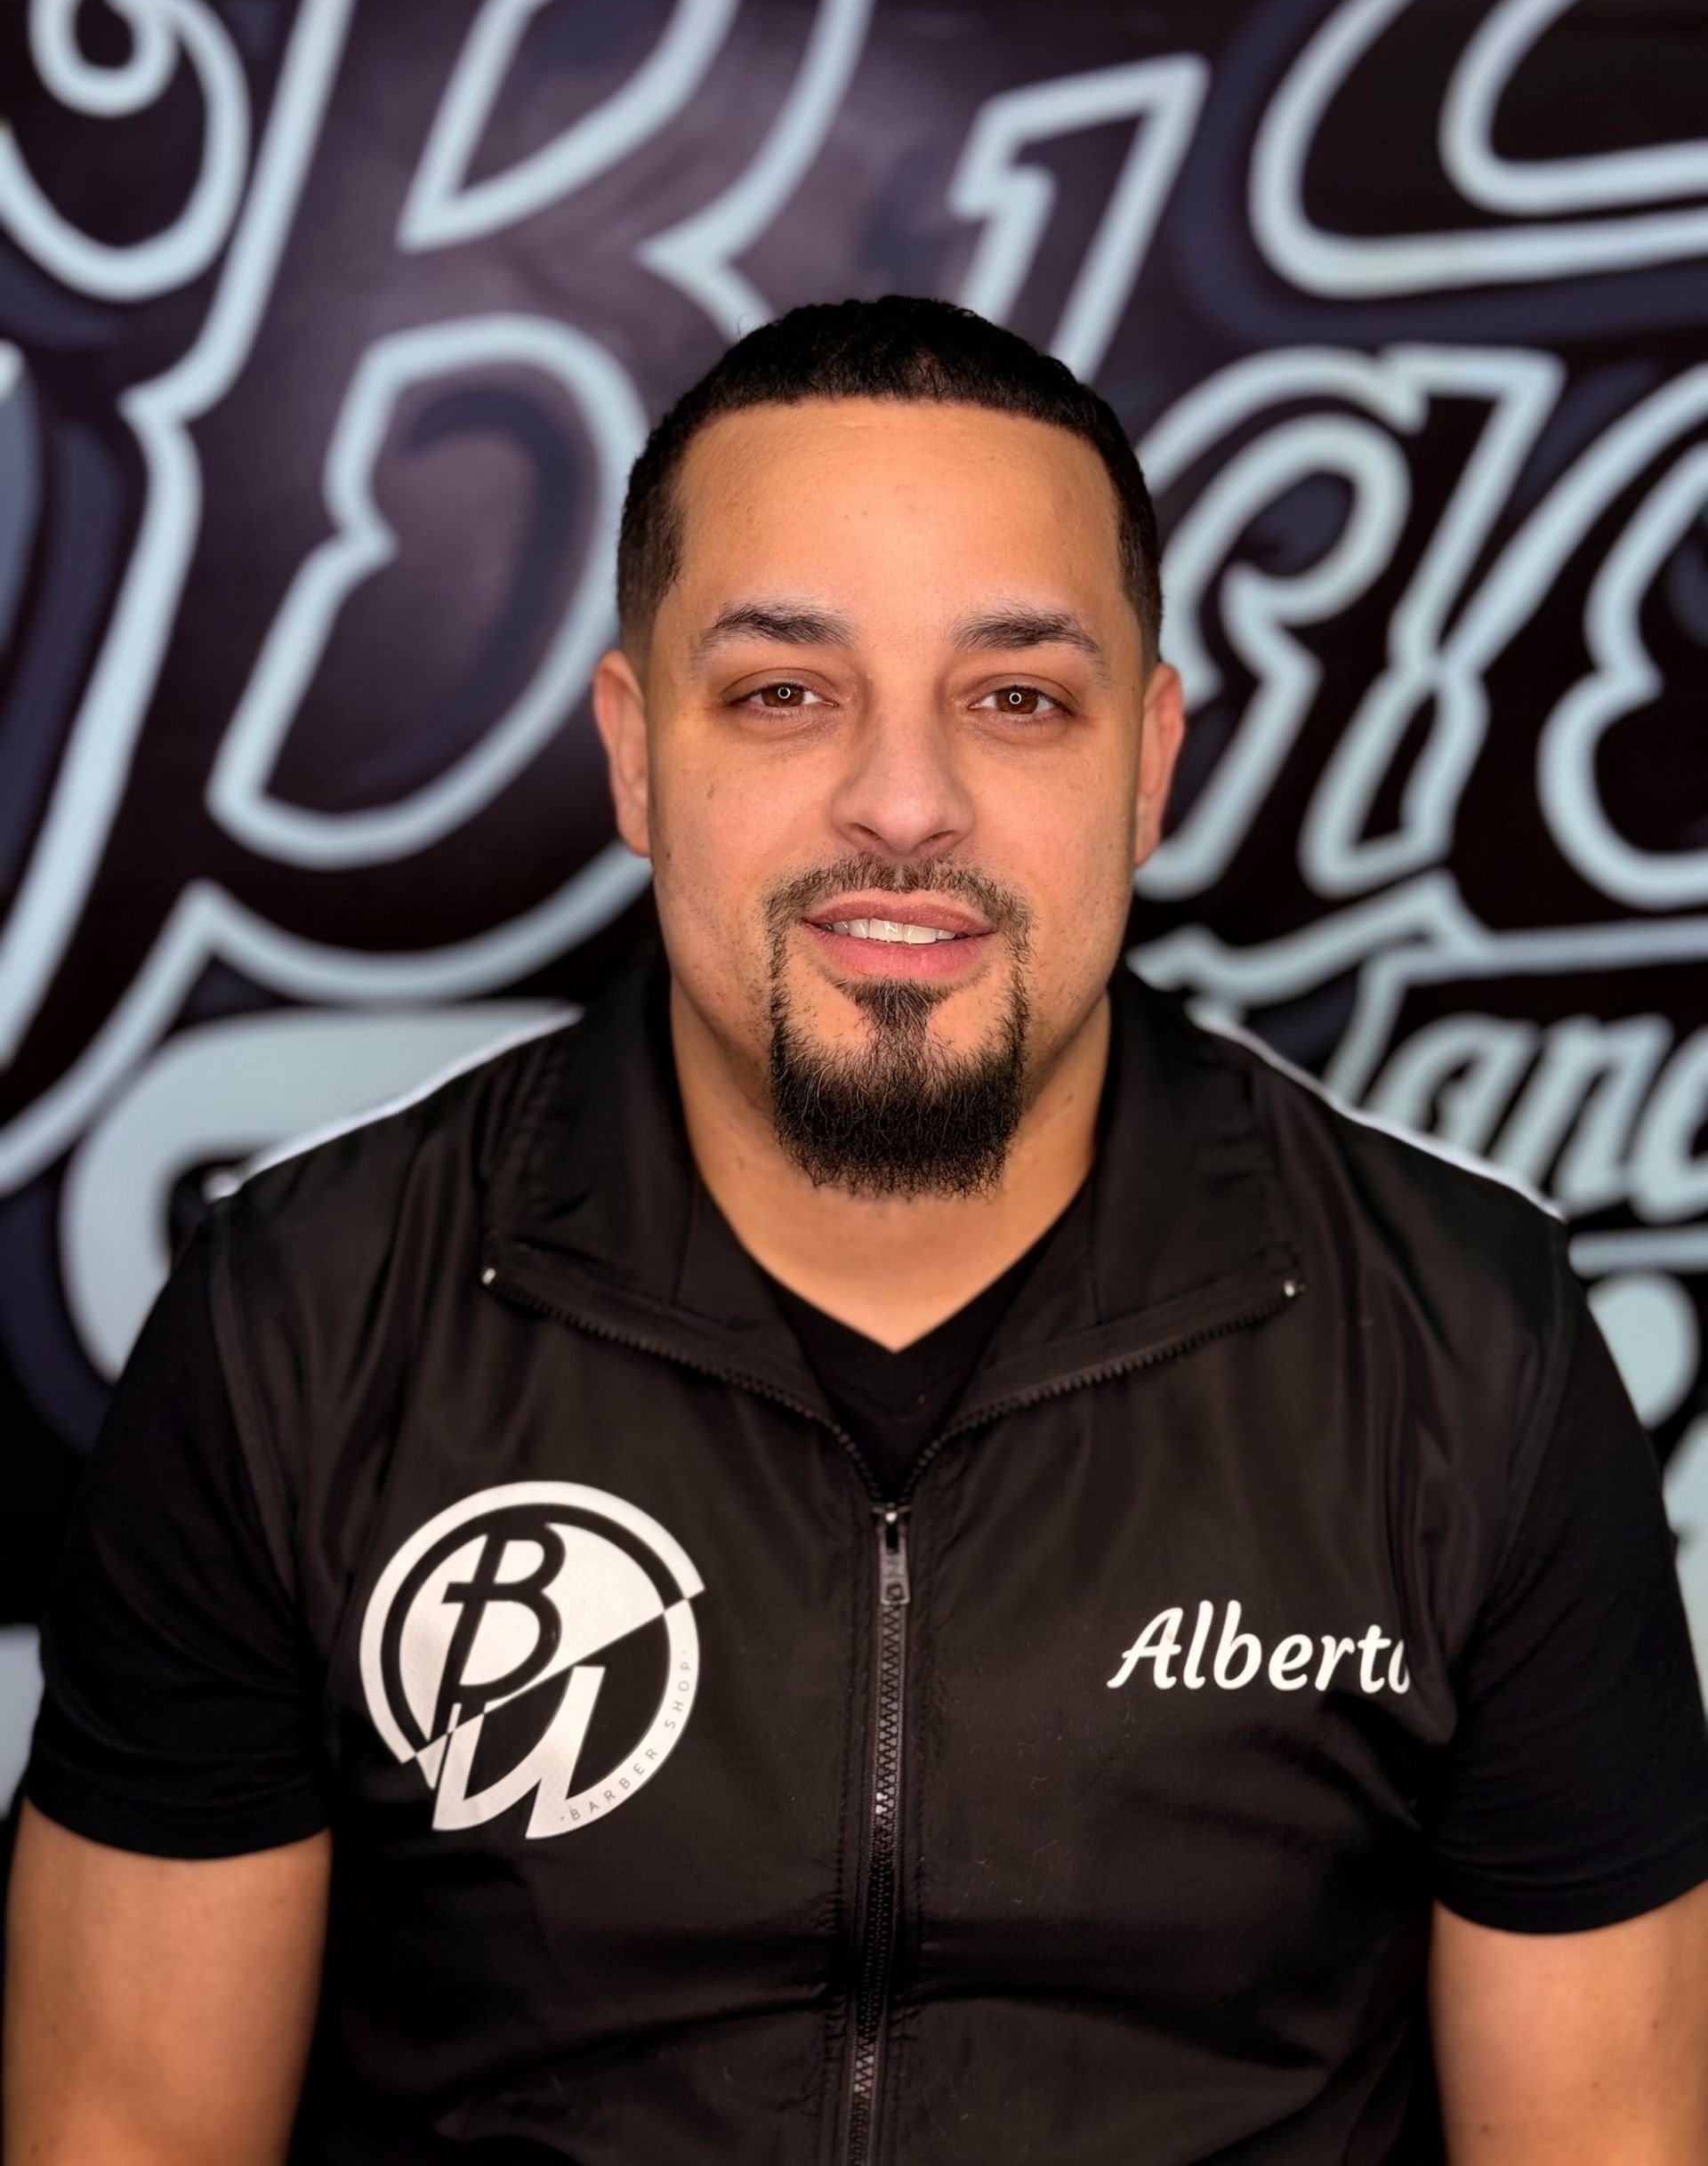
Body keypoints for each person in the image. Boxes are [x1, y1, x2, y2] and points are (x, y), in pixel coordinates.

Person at [5, 296, 1707, 2166]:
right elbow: (130, 2131)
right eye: (785, 691)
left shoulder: (1469, 1346)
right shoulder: (304, 1324)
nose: (906, 800)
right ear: (636, 748)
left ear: (1147, 766)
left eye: (1017, 696)